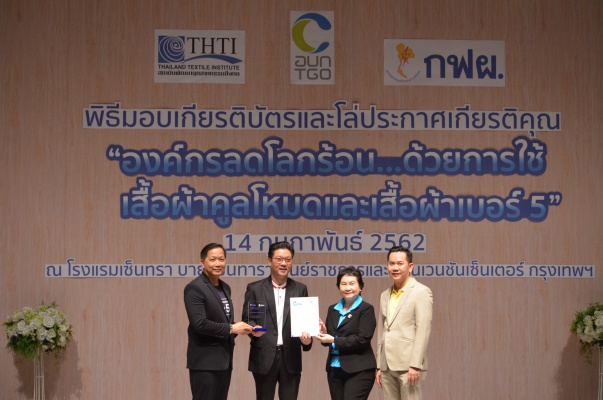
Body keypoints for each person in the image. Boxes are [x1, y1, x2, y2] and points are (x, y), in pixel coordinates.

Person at [242, 241, 313, 400]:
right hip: (263, 355)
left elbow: (305, 321)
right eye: (279, 259)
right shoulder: (255, 289)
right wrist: (253, 329)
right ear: (269, 261)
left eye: (288, 260)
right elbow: (248, 318)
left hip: (291, 357)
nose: (284, 263)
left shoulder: (300, 289)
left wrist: (307, 340)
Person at [184, 243, 253, 400]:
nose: (218, 264)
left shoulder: (225, 287)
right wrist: (232, 328)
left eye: (221, 259)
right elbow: (200, 324)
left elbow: (225, 322)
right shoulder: (195, 288)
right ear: (202, 263)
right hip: (205, 363)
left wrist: (244, 328)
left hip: (224, 361)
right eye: (213, 259)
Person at [376, 246, 433, 400]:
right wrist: (379, 365)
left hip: (409, 365)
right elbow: (382, 331)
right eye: (391, 263)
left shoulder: (421, 292)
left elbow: (423, 329)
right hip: (387, 365)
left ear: (410, 266)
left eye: (400, 263)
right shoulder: (384, 295)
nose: (395, 268)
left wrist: (415, 364)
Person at [315, 267, 377, 400]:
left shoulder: (366, 309)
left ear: (360, 286)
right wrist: (324, 333)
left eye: (352, 283)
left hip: (359, 369)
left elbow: (362, 339)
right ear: (339, 287)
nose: (348, 288)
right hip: (334, 368)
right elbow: (329, 341)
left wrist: (333, 340)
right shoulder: (333, 309)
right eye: (343, 284)